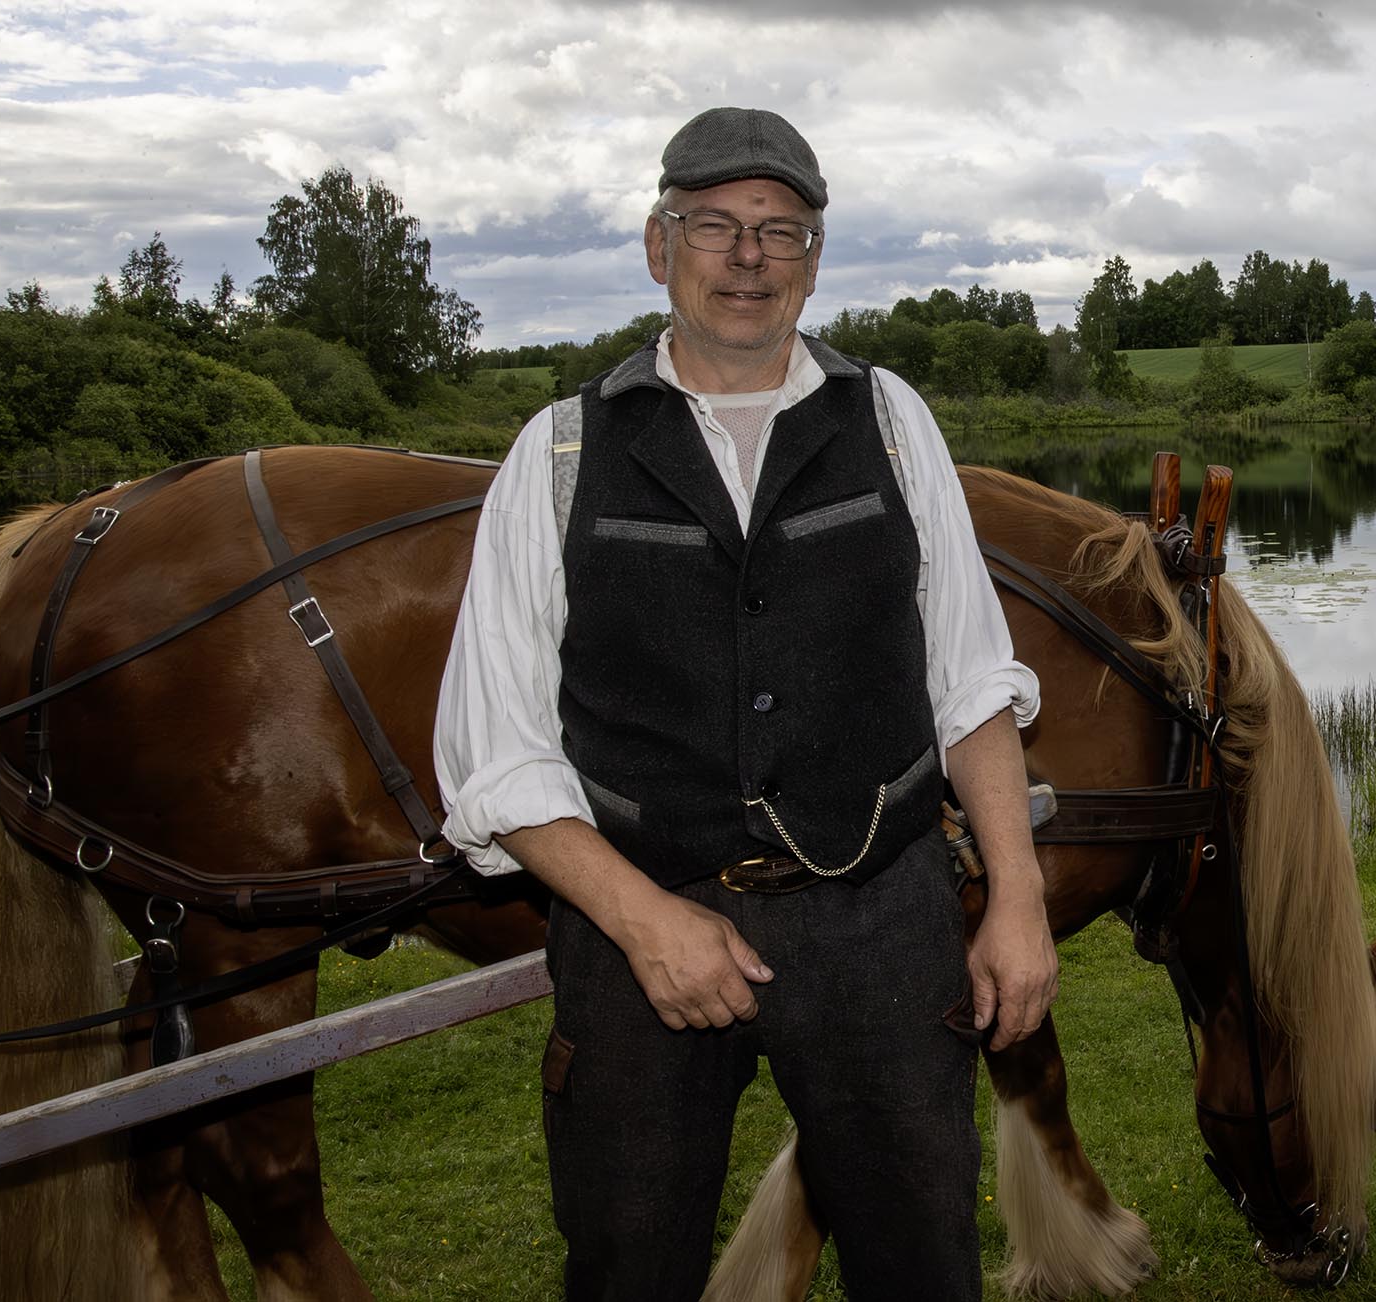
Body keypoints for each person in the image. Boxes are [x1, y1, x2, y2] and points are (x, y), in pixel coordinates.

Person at [433, 106, 1058, 1302]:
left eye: (780, 231)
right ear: (656, 245)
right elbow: (494, 751)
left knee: (922, 1260)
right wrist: (642, 921)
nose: (748, 257)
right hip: (639, 927)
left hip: (878, 921)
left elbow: (970, 678)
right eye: (714, 225)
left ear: (813, 260)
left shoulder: (889, 420)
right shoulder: (559, 452)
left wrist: (1016, 900)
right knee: (627, 1264)